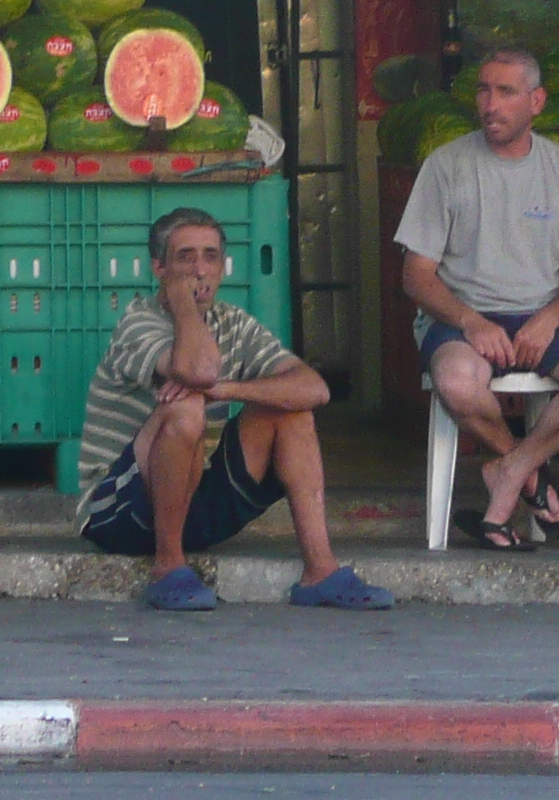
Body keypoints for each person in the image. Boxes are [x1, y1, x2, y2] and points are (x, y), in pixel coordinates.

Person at [75, 207, 393, 611]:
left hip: (191, 499)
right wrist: (182, 304)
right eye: (185, 257)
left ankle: (320, 571)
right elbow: (198, 369)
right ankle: (167, 566)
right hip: (117, 515)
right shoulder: (139, 321)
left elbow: (314, 389)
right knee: (186, 404)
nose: (199, 269)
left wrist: (226, 390)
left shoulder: (233, 322)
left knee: (289, 409)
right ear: (159, 268)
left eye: (210, 257)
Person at [392, 43, 559, 548]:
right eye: (483, 90)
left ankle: (512, 468)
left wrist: (548, 320)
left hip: (543, 316)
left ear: (537, 102)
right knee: (456, 380)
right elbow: (417, 275)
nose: (489, 104)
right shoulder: (445, 166)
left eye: (505, 92)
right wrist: (472, 321)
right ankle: (533, 482)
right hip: (461, 318)